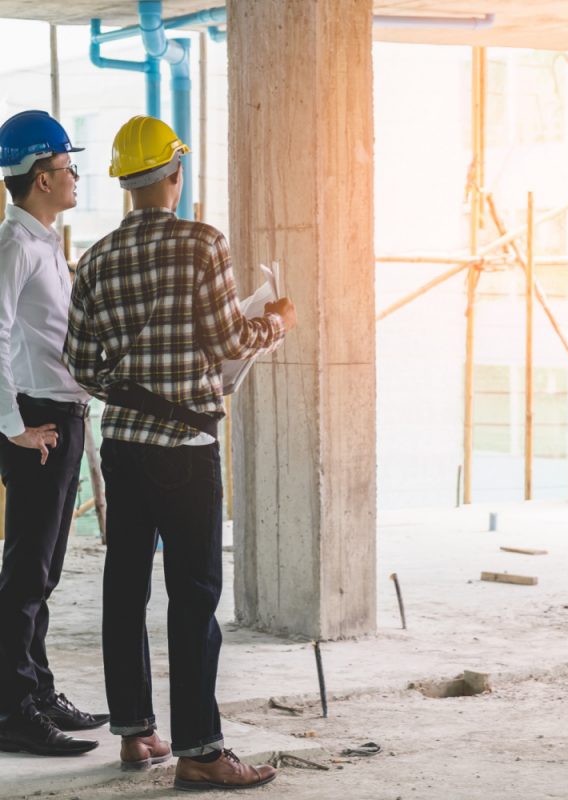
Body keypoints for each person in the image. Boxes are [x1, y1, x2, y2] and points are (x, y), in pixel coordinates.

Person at [63, 115, 296, 788]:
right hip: (188, 449)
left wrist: (131, 388)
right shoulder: (202, 244)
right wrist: (278, 321)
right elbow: (228, 340)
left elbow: (80, 362)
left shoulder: (97, 259)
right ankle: (199, 749)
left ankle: (137, 735)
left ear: (126, 184)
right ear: (176, 175)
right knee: (193, 596)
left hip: (124, 448)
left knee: (124, 590)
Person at [0, 110, 109, 757]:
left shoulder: (44, 244)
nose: (76, 177)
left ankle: (35, 689)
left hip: (62, 417)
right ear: (43, 177)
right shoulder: (16, 247)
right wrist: (13, 426)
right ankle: (12, 708)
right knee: (26, 573)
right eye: (69, 168)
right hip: (36, 422)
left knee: (44, 573)